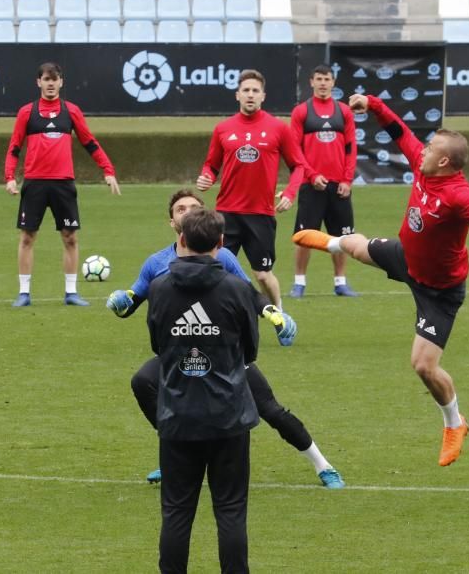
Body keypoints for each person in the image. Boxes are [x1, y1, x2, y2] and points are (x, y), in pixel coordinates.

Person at [293, 93, 469, 467]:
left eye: (430, 147)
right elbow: (399, 131)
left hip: (439, 290)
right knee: (355, 244)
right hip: (406, 258)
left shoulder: (460, 196)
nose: (422, 149)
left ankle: (454, 423)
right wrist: (373, 104)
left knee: (423, 366)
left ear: (444, 160)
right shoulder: (422, 164)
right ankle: (331, 242)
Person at [107, 189, 345, 489]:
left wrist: (275, 314)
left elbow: (248, 295)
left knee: (270, 409)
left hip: (225, 353)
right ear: (172, 222)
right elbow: (133, 299)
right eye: (181, 209)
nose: (188, 212)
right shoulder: (156, 263)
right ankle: (174, 454)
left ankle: (323, 465)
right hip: (181, 354)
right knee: (143, 381)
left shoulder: (224, 256)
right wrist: (119, 302)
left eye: (194, 207)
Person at [147, 208, 259, 573]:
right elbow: (251, 349)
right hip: (228, 415)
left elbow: (157, 345)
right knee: (230, 509)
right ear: (221, 243)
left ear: (180, 240)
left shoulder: (159, 288)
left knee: (177, 510)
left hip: (177, 414)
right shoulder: (237, 288)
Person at [4, 61, 120, 307]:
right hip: (34, 183)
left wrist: (108, 170)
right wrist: (10, 177)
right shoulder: (27, 112)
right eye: (46, 79)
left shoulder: (72, 111)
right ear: (39, 82)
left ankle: (71, 293)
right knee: (27, 237)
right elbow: (14, 147)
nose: (50, 83)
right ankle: (24, 293)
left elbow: (90, 143)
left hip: (63, 184)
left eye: (54, 79)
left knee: (70, 238)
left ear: (61, 82)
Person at [196, 68, 306, 309]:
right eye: (246, 90)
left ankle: (280, 315)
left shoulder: (278, 128)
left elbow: (299, 166)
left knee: (263, 275)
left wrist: (289, 193)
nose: (250, 95)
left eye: (255, 91)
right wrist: (206, 176)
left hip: (261, 215)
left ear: (263, 96)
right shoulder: (223, 128)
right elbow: (211, 165)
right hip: (226, 214)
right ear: (237, 95)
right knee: (216, 272)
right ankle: (222, 322)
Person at [289, 64, 358, 298]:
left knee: (342, 238)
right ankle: (299, 283)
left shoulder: (344, 112)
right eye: (318, 79)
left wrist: (347, 180)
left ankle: (340, 283)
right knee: (304, 236)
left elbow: (351, 148)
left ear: (333, 82)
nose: (322, 83)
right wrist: (311, 175)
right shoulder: (301, 112)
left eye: (326, 79)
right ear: (311, 82)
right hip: (312, 185)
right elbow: (295, 151)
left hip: (339, 185)